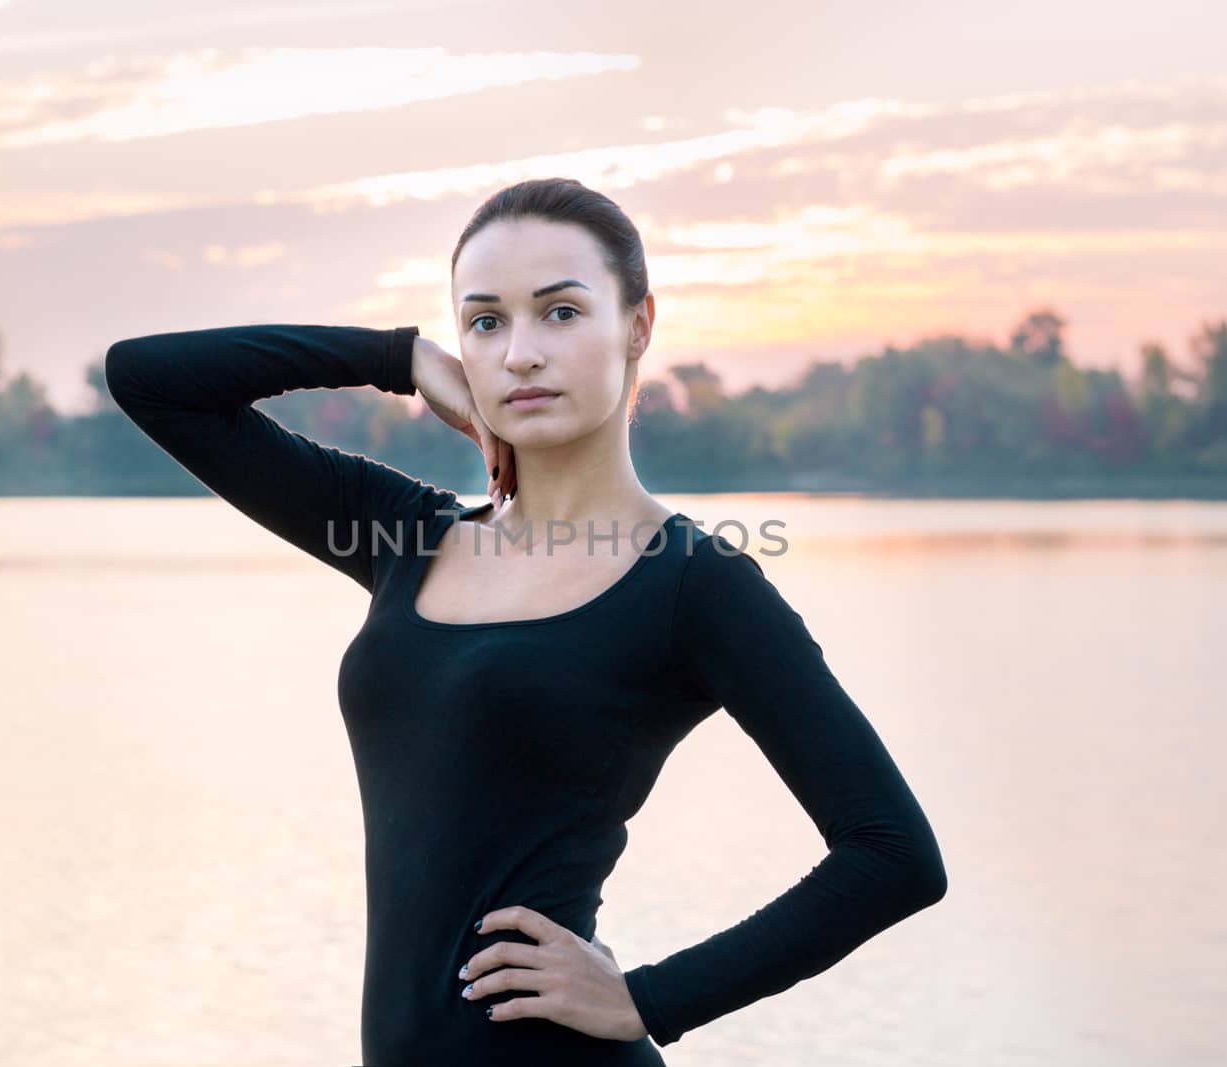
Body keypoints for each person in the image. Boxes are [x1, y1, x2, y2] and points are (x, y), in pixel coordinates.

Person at [103, 177, 947, 1066]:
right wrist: (398, 358)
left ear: (638, 326)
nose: (520, 355)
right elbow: (151, 382)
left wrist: (647, 998)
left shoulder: (694, 584)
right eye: (486, 322)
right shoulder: (404, 534)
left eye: (561, 312)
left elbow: (891, 854)